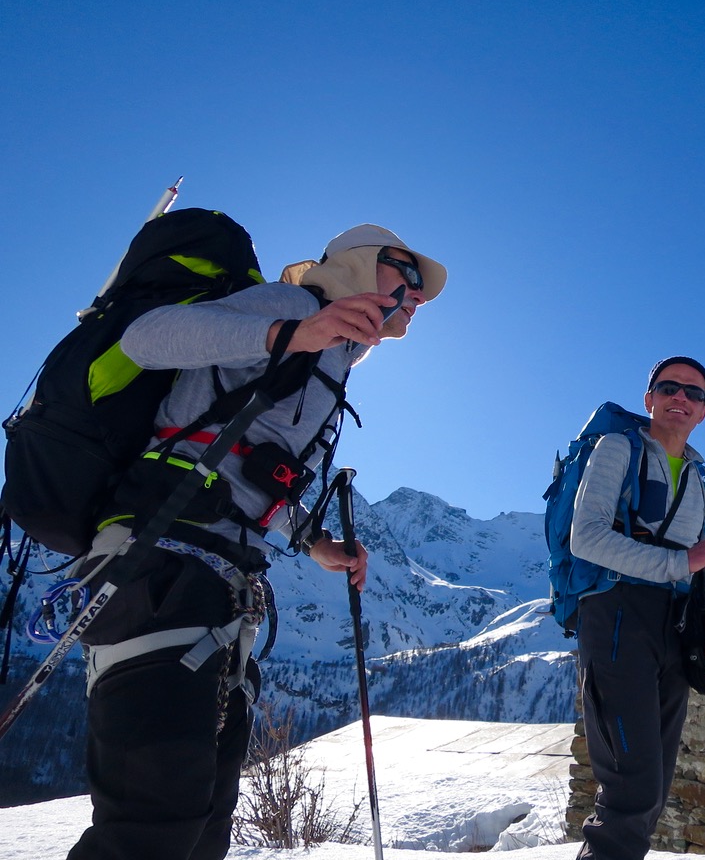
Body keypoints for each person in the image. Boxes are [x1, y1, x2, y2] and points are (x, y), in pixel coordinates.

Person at [66, 223, 447, 860]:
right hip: (160, 559)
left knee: (206, 817)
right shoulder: (294, 306)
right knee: (153, 820)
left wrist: (314, 541)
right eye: (403, 273)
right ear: (354, 265)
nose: (415, 294)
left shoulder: (332, 363)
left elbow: (244, 466)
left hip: (221, 584)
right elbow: (147, 337)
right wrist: (289, 333)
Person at [570, 355, 705, 860]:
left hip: (676, 625)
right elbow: (587, 538)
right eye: (669, 388)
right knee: (633, 783)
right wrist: (679, 563)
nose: (680, 398)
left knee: (655, 786)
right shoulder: (617, 448)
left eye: (694, 393)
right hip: (617, 615)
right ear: (649, 400)